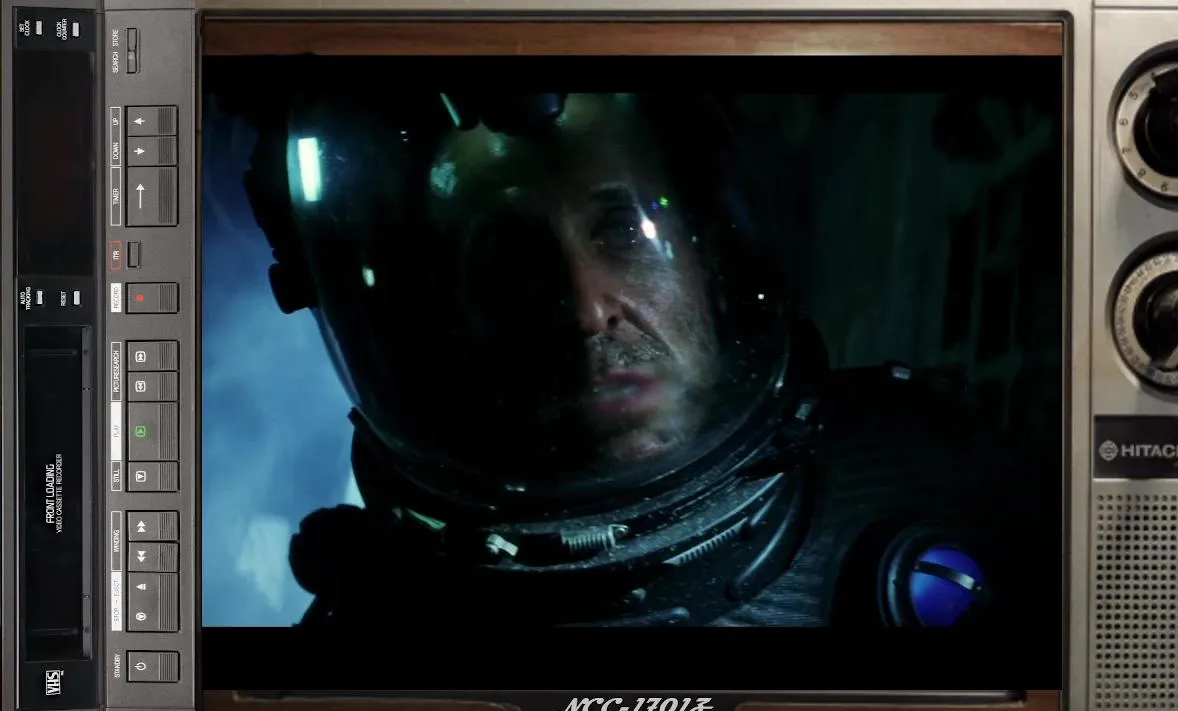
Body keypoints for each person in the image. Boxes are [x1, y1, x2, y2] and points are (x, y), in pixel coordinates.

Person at [239, 91, 1052, 628]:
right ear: (454, 325)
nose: (586, 307)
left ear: (705, 261)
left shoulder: (930, 464)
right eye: (513, 262)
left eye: (623, 231)